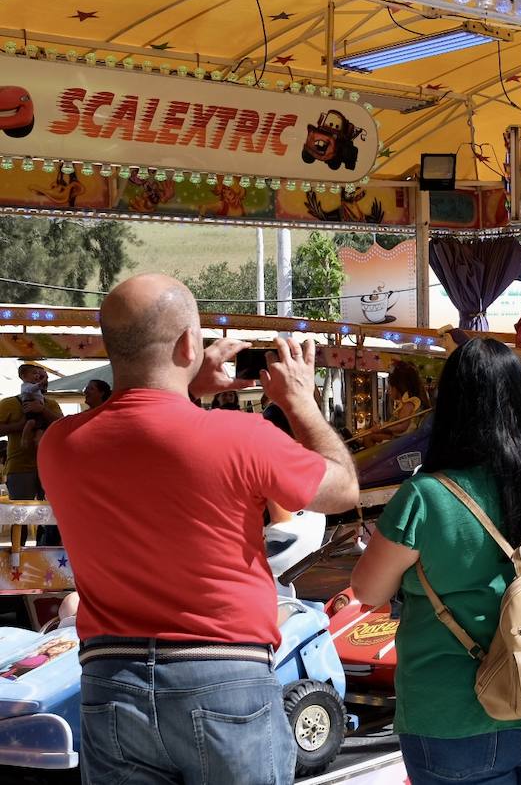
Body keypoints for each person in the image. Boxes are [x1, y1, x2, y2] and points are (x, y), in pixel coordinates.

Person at [38, 274, 358, 785]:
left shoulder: (59, 445)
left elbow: (147, 439)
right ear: (191, 344)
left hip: (111, 680)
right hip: (224, 675)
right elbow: (342, 490)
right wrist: (301, 402)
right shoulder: (241, 436)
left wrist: (185, 388)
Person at [351, 338, 521, 785]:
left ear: (447, 406)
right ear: (519, 399)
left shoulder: (426, 497)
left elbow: (368, 592)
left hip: (455, 717)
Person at [0, 362, 62, 501]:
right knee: (20, 515)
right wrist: (20, 426)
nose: (41, 380)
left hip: (49, 468)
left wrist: (42, 410)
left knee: (50, 515)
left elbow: (62, 425)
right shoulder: (8, 403)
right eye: (38, 376)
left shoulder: (51, 404)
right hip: (19, 467)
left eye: (44, 377)